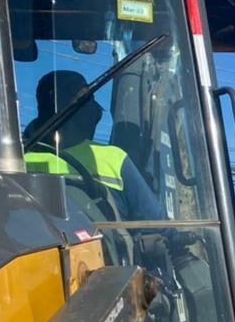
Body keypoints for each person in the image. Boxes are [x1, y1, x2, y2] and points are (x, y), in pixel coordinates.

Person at [24, 69, 164, 221]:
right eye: (89, 100)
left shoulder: (17, 159)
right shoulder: (113, 159)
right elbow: (156, 224)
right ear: (75, 107)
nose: (97, 111)